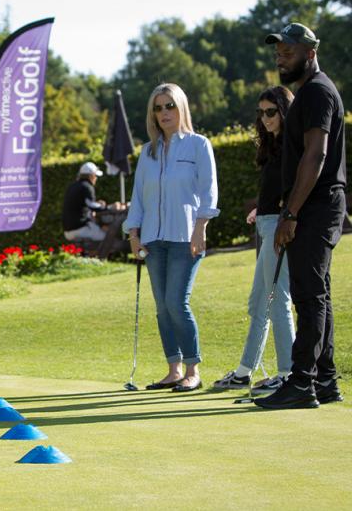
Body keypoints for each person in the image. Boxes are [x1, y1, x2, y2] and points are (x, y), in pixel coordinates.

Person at [255, 23, 346, 409]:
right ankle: (324, 379)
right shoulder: (311, 91)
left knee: (308, 296)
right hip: (315, 207)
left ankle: (302, 383)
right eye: (278, 53)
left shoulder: (317, 92)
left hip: (316, 206)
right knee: (316, 294)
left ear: (310, 53)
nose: (280, 58)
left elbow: (316, 155)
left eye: (288, 52)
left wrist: (290, 213)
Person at [123, 83, 220, 392]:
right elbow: (138, 197)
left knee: (177, 303)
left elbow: (209, 190)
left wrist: (201, 227)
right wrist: (133, 234)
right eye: (158, 107)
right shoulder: (147, 153)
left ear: (181, 108)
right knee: (163, 307)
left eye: (169, 106)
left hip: (185, 237)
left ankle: (193, 369)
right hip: (152, 240)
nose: (164, 112)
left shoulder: (198, 145)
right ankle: (174, 369)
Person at [213, 87, 296, 394]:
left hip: (279, 228)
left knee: (276, 300)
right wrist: (260, 212)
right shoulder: (273, 145)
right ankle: (245, 371)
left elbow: (294, 189)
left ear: (285, 111)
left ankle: (288, 373)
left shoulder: (292, 144)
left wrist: (279, 218)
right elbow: (274, 189)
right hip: (266, 224)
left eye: (271, 112)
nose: (266, 118)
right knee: (258, 302)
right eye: (262, 112)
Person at [62, 162, 112, 242]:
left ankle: (95, 254)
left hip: (68, 230)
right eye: (95, 176)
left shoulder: (73, 186)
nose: (96, 178)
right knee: (108, 237)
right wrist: (106, 207)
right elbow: (92, 205)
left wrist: (98, 205)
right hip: (79, 229)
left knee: (99, 230)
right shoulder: (87, 186)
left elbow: (83, 205)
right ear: (91, 176)